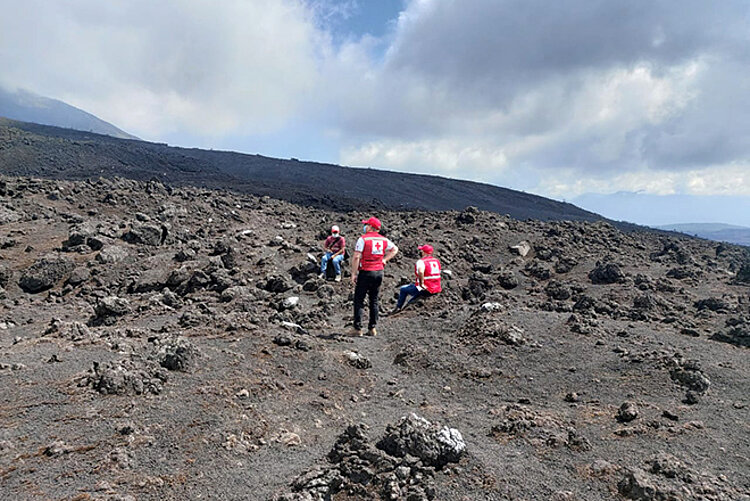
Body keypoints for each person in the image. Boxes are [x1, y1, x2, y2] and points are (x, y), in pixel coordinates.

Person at [350, 216, 398, 336]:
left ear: (371, 227)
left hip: (366, 271)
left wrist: (354, 273)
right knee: (374, 300)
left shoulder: (363, 239)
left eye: (367, 225)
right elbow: (395, 249)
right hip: (379, 272)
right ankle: (372, 328)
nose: (365, 227)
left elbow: (356, 257)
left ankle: (357, 328)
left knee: (359, 300)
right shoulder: (383, 240)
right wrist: (384, 260)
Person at [392, 244, 442, 313]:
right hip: (436, 288)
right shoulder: (436, 261)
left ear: (424, 252)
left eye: (421, 251)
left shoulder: (421, 262)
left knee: (403, 289)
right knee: (412, 294)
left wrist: (421, 284)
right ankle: (411, 302)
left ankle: (398, 308)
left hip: (425, 288)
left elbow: (420, 272)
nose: (420, 252)